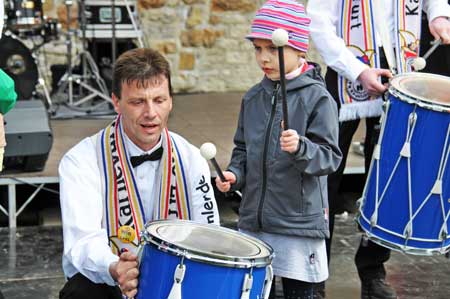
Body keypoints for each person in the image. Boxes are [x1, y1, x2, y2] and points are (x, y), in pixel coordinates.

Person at [307, 0, 450, 298]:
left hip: (402, 66)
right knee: (325, 175)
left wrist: (438, 16)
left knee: (390, 174)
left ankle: (373, 268)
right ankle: (312, 273)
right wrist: (357, 71)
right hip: (347, 69)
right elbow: (318, 21)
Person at [58, 48, 220, 299]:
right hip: (106, 283)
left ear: (171, 100)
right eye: (137, 101)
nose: (151, 113)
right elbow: (82, 242)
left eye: (159, 100)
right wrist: (115, 268)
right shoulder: (81, 160)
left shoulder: (192, 158)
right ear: (116, 102)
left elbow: (208, 234)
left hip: (176, 280)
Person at [215, 1, 342, 298]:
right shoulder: (252, 98)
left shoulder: (319, 99)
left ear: (299, 49)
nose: (264, 58)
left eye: (273, 49)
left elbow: (329, 157)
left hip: (298, 224)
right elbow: (243, 150)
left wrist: (300, 148)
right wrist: (234, 174)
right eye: (258, 49)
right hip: (256, 221)